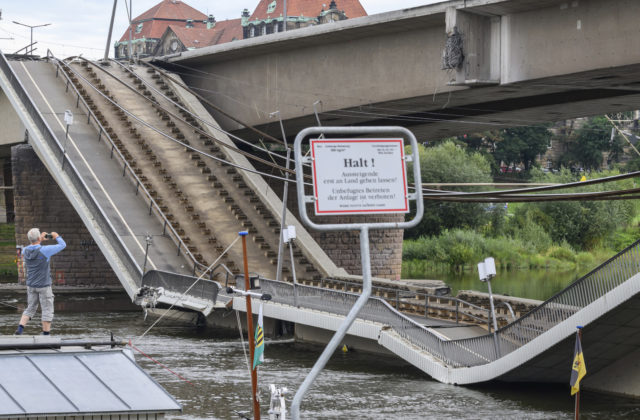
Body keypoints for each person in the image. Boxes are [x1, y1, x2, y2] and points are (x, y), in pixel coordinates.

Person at [15, 228, 66, 335]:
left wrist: (40, 240)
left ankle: (20, 329)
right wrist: (56, 236)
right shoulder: (45, 250)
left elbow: (34, 246)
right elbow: (62, 245)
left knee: (31, 307)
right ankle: (46, 335)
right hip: (44, 285)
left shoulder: (25, 251)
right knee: (47, 309)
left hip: (31, 285)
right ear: (39, 238)